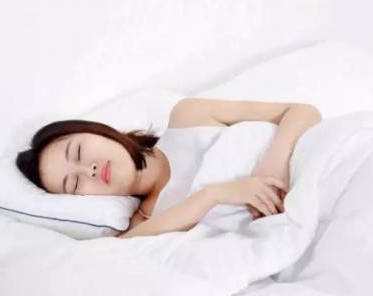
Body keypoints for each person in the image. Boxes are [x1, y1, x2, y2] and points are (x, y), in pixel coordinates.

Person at [16, 98, 322, 238]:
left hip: (321, 166)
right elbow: (121, 252)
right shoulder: (144, 225)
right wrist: (216, 194)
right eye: (74, 184)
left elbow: (302, 111)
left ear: (99, 131)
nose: (89, 170)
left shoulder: (188, 116)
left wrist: (276, 160)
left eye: (79, 151)